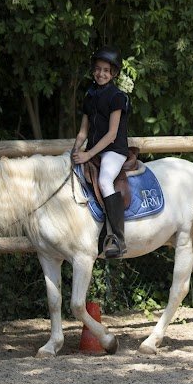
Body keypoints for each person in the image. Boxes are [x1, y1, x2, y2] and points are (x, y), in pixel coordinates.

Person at [72, 46, 131, 259]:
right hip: (94, 150)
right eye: (98, 69)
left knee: (105, 180)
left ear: (113, 73)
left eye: (106, 70)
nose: (101, 74)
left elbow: (112, 134)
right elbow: (83, 131)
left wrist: (88, 155)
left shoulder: (118, 97)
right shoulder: (90, 95)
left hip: (114, 150)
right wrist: (76, 150)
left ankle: (117, 238)